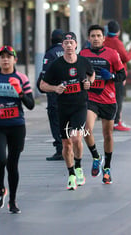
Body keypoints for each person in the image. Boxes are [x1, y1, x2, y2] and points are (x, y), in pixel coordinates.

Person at [0, 45, 35, 213]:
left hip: (17, 126)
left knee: (12, 164)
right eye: (2, 56)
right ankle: (0, 189)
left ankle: (12, 200)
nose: (5, 59)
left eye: (8, 56)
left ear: (14, 60)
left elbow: (31, 104)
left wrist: (20, 92)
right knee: (0, 160)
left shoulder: (22, 78)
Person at [40, 32, 95, 190]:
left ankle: (78, 167)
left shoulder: (83, 62)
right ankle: (71, 174)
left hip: (80, 106)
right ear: (62, 46)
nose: (69, 45)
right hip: (62, 108)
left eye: (72, 42)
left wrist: (88, 83)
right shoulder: (56, 65)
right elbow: (43, 85)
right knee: (66, 144)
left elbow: (92, 75)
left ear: (76, 45)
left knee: (77, 138)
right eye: (66, 43)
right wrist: (55, 88)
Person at [80, 25, 126, 184]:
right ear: (88, 38)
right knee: (86, 130)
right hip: (90, 98)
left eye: (98, 35)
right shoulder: (83, 54)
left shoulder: (112, 54)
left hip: (108, 99)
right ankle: (95, 156)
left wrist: (111, 76)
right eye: (92, 36)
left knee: (108, 135)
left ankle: (107, 167)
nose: (96, 38)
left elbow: (122, 74)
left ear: (103, 38)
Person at [36, 29, 65, 161]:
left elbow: (45, 74)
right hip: (69, 93)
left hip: (54, 93)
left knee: (55, 121)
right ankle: (70, 147)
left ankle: (60, 149)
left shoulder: (50, 53)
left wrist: (40, 86)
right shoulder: (68, 51)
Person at [104, 20, 131, 132]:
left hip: (106, 74)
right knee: (118, 99)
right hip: (117, 75)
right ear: (118, 31)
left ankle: (112, 121)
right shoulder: (117, 42)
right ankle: (116, 122)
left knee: (109, 99)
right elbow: (125, 58)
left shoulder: (104, 41)